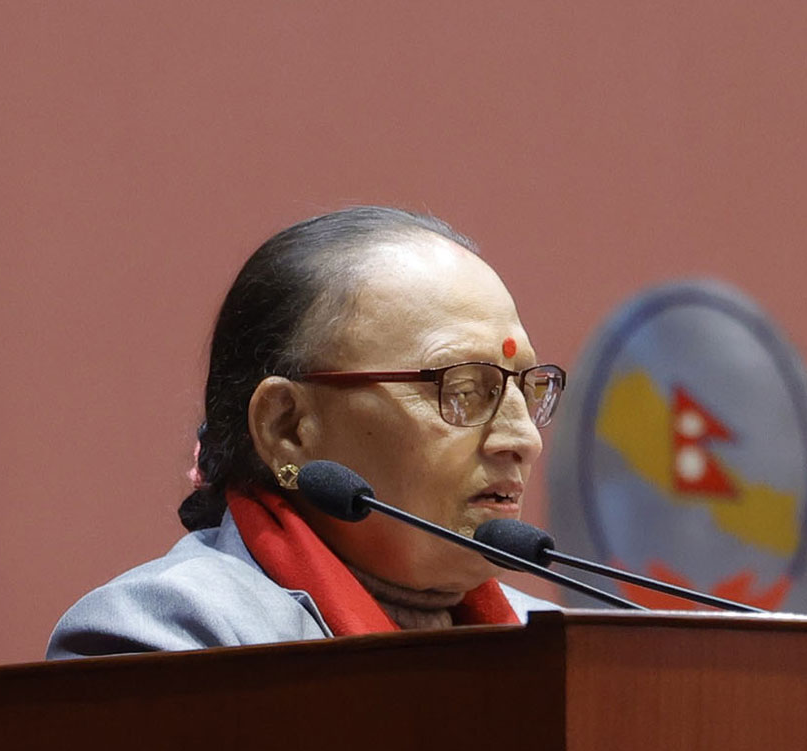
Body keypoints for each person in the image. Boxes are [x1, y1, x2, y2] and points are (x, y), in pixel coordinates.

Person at [47, 206, 566, 657]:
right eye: (462, 390)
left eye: (528, 389)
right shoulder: (168, 635)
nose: (524, 440)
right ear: (288, 427)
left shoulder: (568, 650)